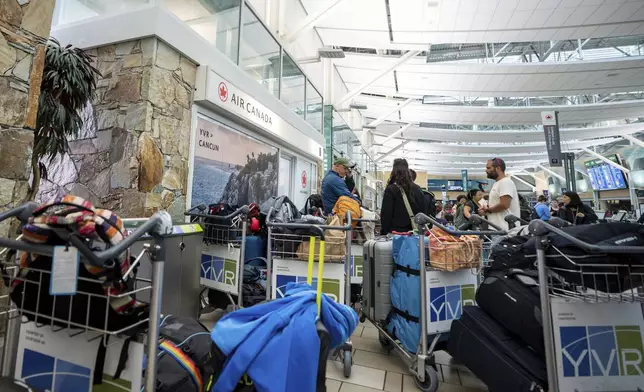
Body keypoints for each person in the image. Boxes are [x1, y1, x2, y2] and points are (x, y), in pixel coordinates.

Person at [380, 159, 426, 234]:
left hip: (396, 233)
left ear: (394, 171)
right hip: (414, 233)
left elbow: (386, 215)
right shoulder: (418, 189)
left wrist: (384, 232)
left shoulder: (391, 189)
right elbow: (423, 212)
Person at [479, 158, 520, 231]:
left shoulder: (505, 182)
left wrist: (488, 210)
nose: (486, 170)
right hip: (498, 228)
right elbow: (498, 204)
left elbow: (504, 205)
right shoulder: (497, 183)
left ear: (498, 168)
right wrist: (486, 209)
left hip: (506, 230)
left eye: (488, 168)